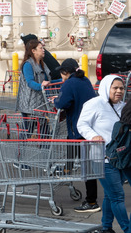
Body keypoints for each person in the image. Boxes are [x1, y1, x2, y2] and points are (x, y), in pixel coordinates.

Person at [77, 75, 128, 233]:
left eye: (121, 88)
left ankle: (106, 227)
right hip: (102, 158)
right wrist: (93, 136)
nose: (119, 91)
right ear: (107, 87)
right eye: (115, 88)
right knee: (118, 196)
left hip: (120, 158)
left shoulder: (123, 106)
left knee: (110, 195)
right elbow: (82, 124)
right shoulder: (95, 104)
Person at [52, 58, 99, 213]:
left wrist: (55, 100)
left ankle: (91, 201)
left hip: (78, 129)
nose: (61, 76)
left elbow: (62, 103)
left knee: (86, 165)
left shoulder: (69, 84)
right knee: (86, 162)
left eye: (62, 72)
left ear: (66, 72)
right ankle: (66, 169)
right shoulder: (85, 80)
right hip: (89, 128)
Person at [16, 39, 51, 119]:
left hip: (41, 103)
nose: (43, 50)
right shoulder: (28, 65)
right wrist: (41, 85)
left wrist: (63, 80)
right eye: (41, 48)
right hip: (29, 105)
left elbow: (48, 81)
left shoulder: (42, 64)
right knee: (29, 130)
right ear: (33, 51)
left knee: (44, 129)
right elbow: (30, 82)